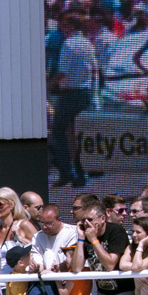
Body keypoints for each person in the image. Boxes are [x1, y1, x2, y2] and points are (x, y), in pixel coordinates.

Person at [48, 14, 98, 186]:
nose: (61, 29)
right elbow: (93, 70)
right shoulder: (87, 43)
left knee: (59, 132)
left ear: (70, 26)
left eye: (63, 25)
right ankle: (81, 173)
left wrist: (48, 85)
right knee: (76, 135)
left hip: (70, 94)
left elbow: (63, 72)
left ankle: (66, 171)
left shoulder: (68, 44)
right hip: (85, 93)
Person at [79, 201, 133, 295]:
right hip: (102, 292)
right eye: (83, 220)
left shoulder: (116, 231)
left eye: (90, 220)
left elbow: (110, 265)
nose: (86, 223)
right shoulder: (87, 234)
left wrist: (94, 240)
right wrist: (81, 238)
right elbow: (77, 267)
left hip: (122, 292)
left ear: (102, 219)